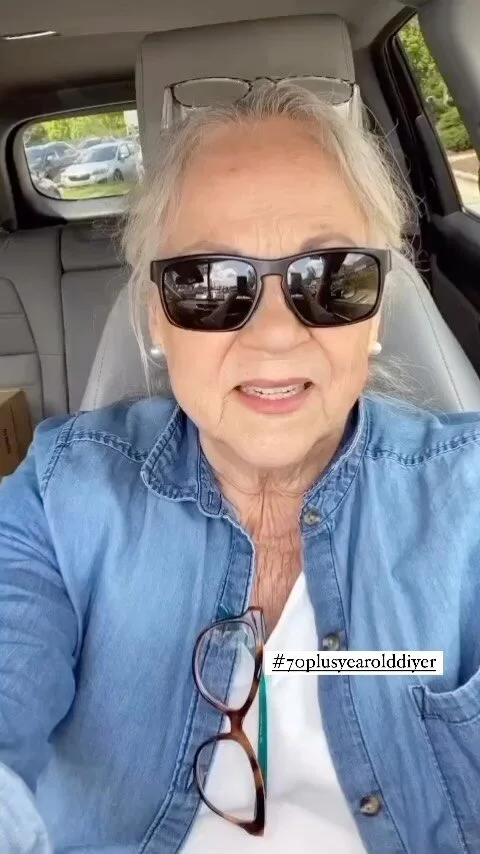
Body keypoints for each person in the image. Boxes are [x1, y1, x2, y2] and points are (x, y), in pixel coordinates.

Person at [0, 82, 479, 854]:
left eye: (331, 275)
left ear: (377, 309)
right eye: (210, 284)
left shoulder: (469, 491)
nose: (275, 337)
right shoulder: (60, 498)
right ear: (157, 318)